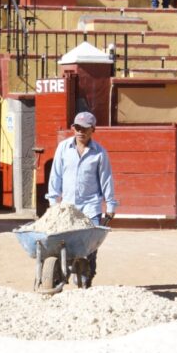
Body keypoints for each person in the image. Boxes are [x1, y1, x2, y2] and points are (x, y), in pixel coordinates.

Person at [46, 111, 118, 287]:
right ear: (73, 128)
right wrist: (53, 202)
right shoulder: (63, 148)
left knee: (90, 247)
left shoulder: (99, 153)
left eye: (85, 128)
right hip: (67, 208)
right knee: (61, 244)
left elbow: (106, 179)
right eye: (77, 127)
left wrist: (110, 204)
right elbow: (55, 176)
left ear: (93, 129)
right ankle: (58, 275)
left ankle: (86, 279)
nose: (80, 132)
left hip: (90, 207)